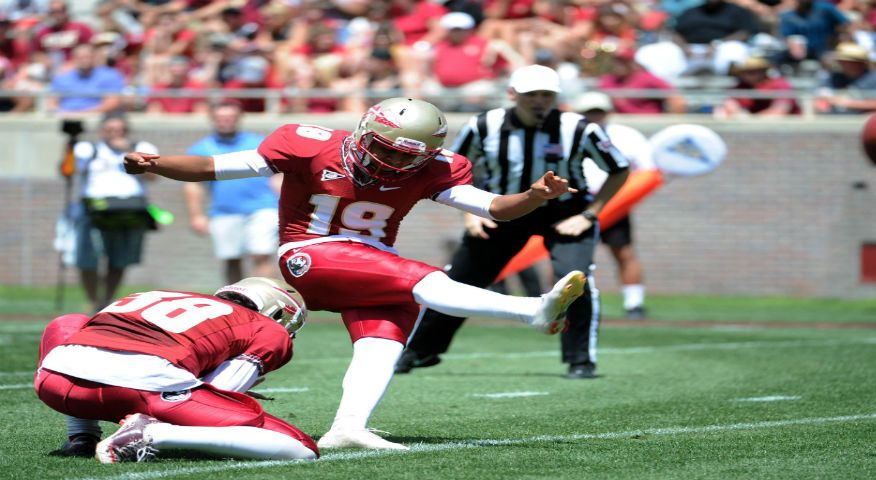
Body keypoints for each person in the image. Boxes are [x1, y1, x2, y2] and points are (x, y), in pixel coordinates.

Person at [122, 96, 587, 450]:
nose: (399, 164)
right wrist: (156, 165)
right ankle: (530, 310)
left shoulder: (437, 168)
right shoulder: (307, 145)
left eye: (411, 157)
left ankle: (348, 427)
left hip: (371, 263)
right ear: (365, 130)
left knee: (381, 343)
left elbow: (494, 208)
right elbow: (210, 167)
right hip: (311, 250)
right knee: (425, 279)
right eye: (391, 151)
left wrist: (534, 197)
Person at [396, 65, 630, 380]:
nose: (539, 101)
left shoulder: (580, 128)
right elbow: (451, 169)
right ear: (512, 95)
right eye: (531, 94)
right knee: (459, 281)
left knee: (574, 281)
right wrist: (470, 214)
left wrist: (588, 215)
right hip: (505, 210)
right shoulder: (484, 125)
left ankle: (580, 360)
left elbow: (619, 168)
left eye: (546, 95)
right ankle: (419, 350)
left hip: (566, 213)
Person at [35, 277, 318, 463]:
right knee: (302, 448)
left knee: (70, 323)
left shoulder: (155, 293)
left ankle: (81, 435)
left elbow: (73, 329)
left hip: (53, 382)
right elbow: (223, 390)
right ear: (278, 312)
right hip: (139, 389)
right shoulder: (268, 328)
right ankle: (150, 434)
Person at [573, 92, 654, 319]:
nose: (594, 116)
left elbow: (646, 169)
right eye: (589, 112)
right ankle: (560, 302)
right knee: (566, 252)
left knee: (623, 251)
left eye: (598, 111)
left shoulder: (627, 136)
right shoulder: (568, 134)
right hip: (577, 201)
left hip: (613, 201)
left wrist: (627, 195)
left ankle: (634, 303)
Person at [184, 101, 279, 284]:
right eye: (221, 118)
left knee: (261, 254)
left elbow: (277, 176)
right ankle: (237, 304)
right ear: (212, 119)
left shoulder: (259, 144)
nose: (226, 121)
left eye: (230, 117)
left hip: (263, 207)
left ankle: (266, 303)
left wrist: (285, 205)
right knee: (231, 259)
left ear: (239, 118)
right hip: (224, 211)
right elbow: (194, 185)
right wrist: (196, 215)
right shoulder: (201, 149)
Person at [72, 111, 158, 312]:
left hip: (130, 210)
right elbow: (69, 169)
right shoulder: (88, 149)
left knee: (120, 259)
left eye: (119, 130)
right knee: (88, 258)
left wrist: (129, 151)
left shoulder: (141, 148)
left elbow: (154, 177)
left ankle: (107, 300)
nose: (115, 134)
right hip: (95, 210)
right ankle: (93, 300)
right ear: (101, 131)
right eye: (110, 130)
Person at [816, 42, 876, 114]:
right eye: (841, 61)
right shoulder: (833, 77)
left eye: (848, 62)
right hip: (833, 121)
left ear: (861, 63)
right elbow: (818, 98)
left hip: (862, 122)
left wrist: (849, 103)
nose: (843, 64)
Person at [48, 43, 126, 114]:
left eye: (87, 57)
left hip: (97, 118)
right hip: (65, 118)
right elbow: (52, 102)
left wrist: (80, 114)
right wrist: (64, 113)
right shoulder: (62, 78)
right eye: (80, 57)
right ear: (74, 59)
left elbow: (113, 102)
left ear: (95, 57)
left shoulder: (110, 75)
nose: (84, 60)